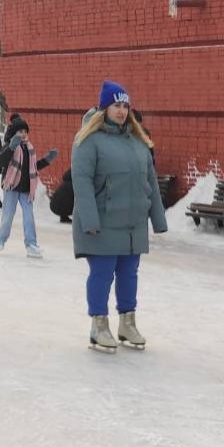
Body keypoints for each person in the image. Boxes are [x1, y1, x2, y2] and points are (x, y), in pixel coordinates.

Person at [71, 79, 167, 352]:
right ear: (105, 108)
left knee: (129, 275)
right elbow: (82, 182)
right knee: (102, 275)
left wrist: (158, 219)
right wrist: (89, 220)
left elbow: (150, 182)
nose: (122, 111)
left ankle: (128, 323)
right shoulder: (88, 140)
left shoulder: (138, 142)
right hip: (103, 223)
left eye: (125, 106)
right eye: (116, 106)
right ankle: (99, 326)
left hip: (132, 224)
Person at [0, 115, 57, 257]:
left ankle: (31, 244)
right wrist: (11, 147)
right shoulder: (10, 146)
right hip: (11, 187)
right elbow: (0, 161)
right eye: (20, 131)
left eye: (25, 131)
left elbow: (33, 167)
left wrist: (47, 160)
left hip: (26, 189)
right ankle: (1, 240)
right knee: (8, 216)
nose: (23, 134)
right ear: (14, 133)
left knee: (29, 216)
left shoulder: (30, 148)